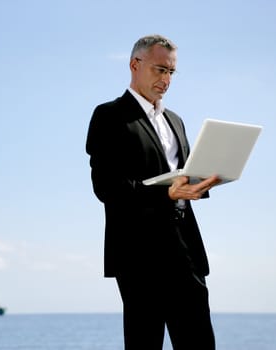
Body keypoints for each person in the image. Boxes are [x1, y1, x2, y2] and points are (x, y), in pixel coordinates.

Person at [85, 34, 221, 349]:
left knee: (200, 341)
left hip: (185, 248)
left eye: (171, 72)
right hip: (138, 252)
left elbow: (181, 180)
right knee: (145, 342)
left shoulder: (176, 121)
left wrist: (201, 184)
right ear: (135, 64)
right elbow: (106, 187)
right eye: (160, 70)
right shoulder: (109, 116)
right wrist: (167, 195)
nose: (166, 79)